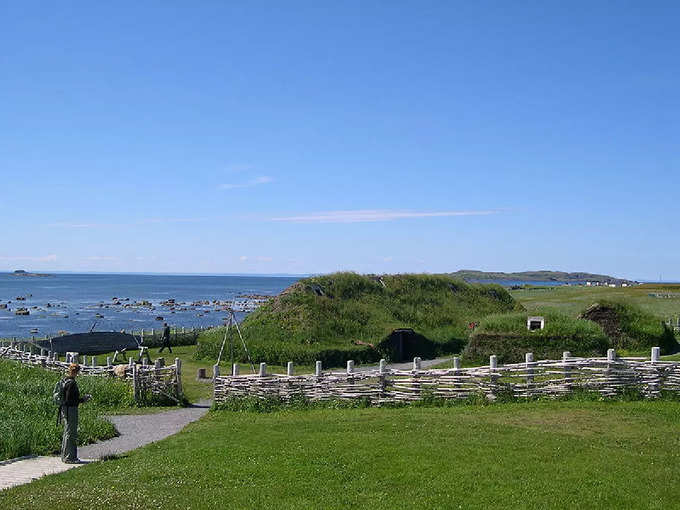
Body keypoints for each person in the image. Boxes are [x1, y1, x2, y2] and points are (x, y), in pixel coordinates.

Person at [57, 363, 91, 463]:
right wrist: (82, 400)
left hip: (65, 409)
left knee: (67, 432)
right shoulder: (71, 383)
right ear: (75, 371)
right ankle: (70, 457)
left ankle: (65, 456)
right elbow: (70, 400)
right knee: (71, 433)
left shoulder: (65, 380)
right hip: (70, 410)